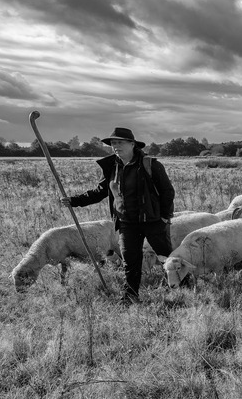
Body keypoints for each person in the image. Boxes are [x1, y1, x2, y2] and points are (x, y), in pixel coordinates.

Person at [61, 127, 175, 303]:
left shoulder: (150, 165)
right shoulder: (112, 167)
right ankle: (129, 297)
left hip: (152, 221)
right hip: (126, 223)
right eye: (113, 144)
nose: (116, 146)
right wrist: (74, 200)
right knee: (130, 261)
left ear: (132, 144)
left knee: (166, 257)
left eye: (120, 143)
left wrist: (165, 217)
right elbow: (99, 191)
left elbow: (167, 192)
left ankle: (183, 285)